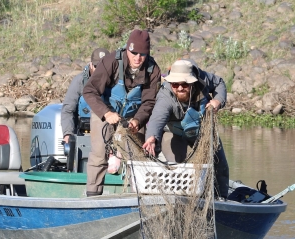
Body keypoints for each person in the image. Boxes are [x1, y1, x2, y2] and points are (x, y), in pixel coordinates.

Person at [82, 29, 161, 197]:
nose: (137, 58)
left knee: (138, 157)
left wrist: (138, 120)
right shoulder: (111, 61)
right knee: (99, 155)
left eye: (142, 54)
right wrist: (106, 113)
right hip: (104, 109)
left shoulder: (153, 70)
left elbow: (149, 102)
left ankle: (138, 197)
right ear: (127, 49)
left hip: (133, 115)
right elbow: (89, 91)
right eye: (134, 53)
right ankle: (92, 196)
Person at [142, 59, 230, 198]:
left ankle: (220, 199)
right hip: (174, 133)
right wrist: (152, 137)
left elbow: (220, 83)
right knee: (178, 168)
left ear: (192, 82)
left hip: (202, 132)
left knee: (220, 166)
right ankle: (182, 201)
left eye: (185, 84)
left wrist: (218, 101)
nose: (180, 88)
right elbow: (156, 120)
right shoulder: (165, 98)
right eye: (175, 84)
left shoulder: (203, 79)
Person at [61, 47, 110, 144]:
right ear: (91, 65)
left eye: (103, 67)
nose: (100, 71)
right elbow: (68, 110)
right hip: (83, 128)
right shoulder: (79, 81)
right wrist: (68, 134)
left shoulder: (116, 81)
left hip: (107, 128)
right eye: (97, 66)